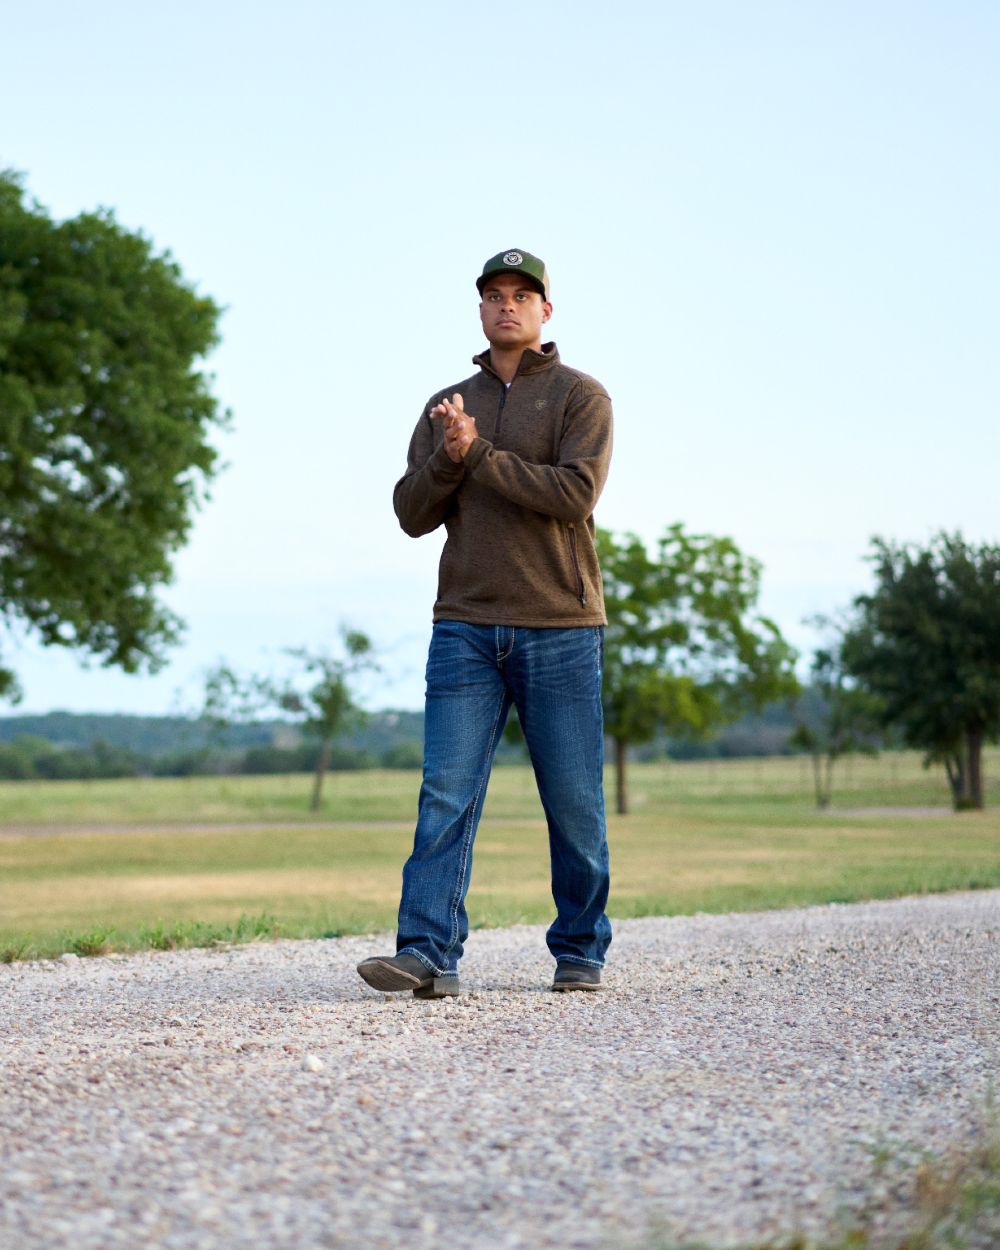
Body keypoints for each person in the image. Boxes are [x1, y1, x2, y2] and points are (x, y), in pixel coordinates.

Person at [357, 248, 613, 998]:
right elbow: (411, 515)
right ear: (480, 310)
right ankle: (427, 954)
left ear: (545, 312)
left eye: (522, 295)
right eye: (494, 296)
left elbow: (573, 495)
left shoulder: (580, 398)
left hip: (560, 626)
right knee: (445, 792)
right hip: (464, 626)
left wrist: (480, 454)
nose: (507, 306)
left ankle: (579, 950)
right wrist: (448, 456)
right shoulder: (447, 404)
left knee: (572, 801)